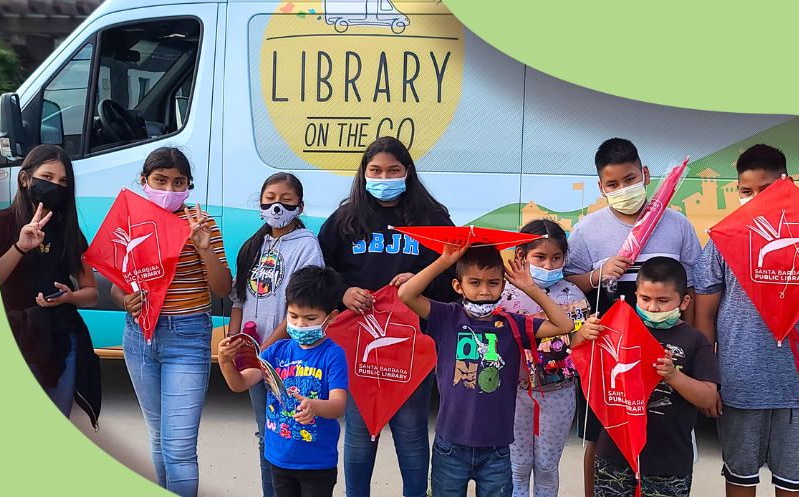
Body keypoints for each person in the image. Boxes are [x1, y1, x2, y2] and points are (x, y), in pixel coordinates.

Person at [694, 144, 799, 497]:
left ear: (787, 184)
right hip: (739, 384)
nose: (754, 199)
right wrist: (708, 378)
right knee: (739, 480)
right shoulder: (724, 240)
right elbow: (704, 312)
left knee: (794, 485)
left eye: (764, 190)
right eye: (745, 192)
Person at [317, 136, 455, 497]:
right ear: (364, 173)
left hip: (412, 346)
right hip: (359, 347)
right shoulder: (344, 219)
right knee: (360, 433)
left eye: (393, 170)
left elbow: (454, 277)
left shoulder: (433, 218)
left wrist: (420, 281)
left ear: (407, 172)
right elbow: (323, 271)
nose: (384, 176)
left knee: (410, 431)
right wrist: (343, 291)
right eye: (375, 170)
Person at [562, 138, 703, 488]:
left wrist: (699, 346)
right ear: (601, 187)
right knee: (600, 432)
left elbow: (694, 289)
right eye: (613, 184)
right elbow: (567, 285)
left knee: (661, 423)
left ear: (645, 174)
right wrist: (598, 273)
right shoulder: (587, 231)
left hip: (666, 344)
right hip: (608, 350)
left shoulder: (677, 225)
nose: (623, 189)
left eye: (629, 179)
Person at [398, 244, 579, 497]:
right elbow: (406, 294)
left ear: (503, 286)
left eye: (493, 283)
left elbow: (564, 324)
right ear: (458, 287)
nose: (484, 291)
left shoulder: (512, 324)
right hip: (450, 446)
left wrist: (530, 289)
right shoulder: (446, 317)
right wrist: (443, 261)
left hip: (497, 450)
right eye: (475, 282)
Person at [111, 147, 233, 497]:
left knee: (178, 448)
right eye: (160, 180)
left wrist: (203, 247)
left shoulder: (202, 223)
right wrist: (126, 302)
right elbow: (119, 287)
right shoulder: (129, 222)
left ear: (188, 186)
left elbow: (222, 288)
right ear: (143, 181)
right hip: (139, 337)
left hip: (188, 336)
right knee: (159, 437)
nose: (168, 188)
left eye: (178, 182)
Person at [590, 257, 720, 497]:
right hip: (615, 454)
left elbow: (708, 397)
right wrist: (584, 334)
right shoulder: (618, 330)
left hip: (669, 460)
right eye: (645, 299)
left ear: (684, 301)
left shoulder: (695, 340)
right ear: (635, 295)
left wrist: (674, 376)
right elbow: (581, 357)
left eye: (663, 301)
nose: (652, 308)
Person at [0, 144, 101, 427]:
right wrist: (20, 246)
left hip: (61, 339)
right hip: (14, 336)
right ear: (25, 178)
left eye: (63, 182)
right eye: (47, 177)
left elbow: (91, 294)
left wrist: (69, 297)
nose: (55, 186)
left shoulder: (68, 231)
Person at [231, 172, 325, 497]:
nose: (276, 206)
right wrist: (235, 346)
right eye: (270, 199)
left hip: (285, 360)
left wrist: (265, 353)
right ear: (260, 203)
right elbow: (238, 302)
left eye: (285, 201)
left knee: (293, 430)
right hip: (255, 358)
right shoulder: (252, 246)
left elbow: (299, 308)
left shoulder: (307, 246)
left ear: (300, 205)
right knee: (266, 433)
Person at [218, 266, 349, 497]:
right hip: (278, 459)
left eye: (310, 319)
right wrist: (225, 362)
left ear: (332, 317)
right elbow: (239, 384)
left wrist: (315, 406)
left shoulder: (333, 355)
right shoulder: (275, 352)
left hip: (317, 463)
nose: (300, 325)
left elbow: (339, 404)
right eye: (293, 316)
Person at [497, 220, 589, 497]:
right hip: (513, 391)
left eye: (556, 258)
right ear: (522, 256)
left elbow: (577, 346)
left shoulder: (574, 295)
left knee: (548, 466)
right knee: (517, 465)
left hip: (558, 393)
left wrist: (584, 335)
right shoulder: (502, 293)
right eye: (540, 257)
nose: (549, 265)